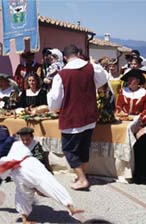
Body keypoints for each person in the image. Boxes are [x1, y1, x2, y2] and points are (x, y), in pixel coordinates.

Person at [0, 127, 84, 224]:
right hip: (19, 174)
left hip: (34, 170)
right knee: (22, 195)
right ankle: (24, 219)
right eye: (23, 139)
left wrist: (47, 173)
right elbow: (10, 158)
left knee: (52, 186)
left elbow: (41, 159)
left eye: (27, 139)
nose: (25, 141)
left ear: (32, 137)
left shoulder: (36, 145)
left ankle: (70, 207)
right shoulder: (16, 145)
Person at [47, 44, 108, 190]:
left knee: (69, 150)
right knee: (83, 149)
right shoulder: (91, 67)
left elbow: (55, 102)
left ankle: (82, 179)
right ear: (78, 53)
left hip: (72, 118)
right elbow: (102, 80)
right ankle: (82, 176)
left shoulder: (61, 75)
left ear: (65, 58)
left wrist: (52, 106)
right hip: (89, 117)